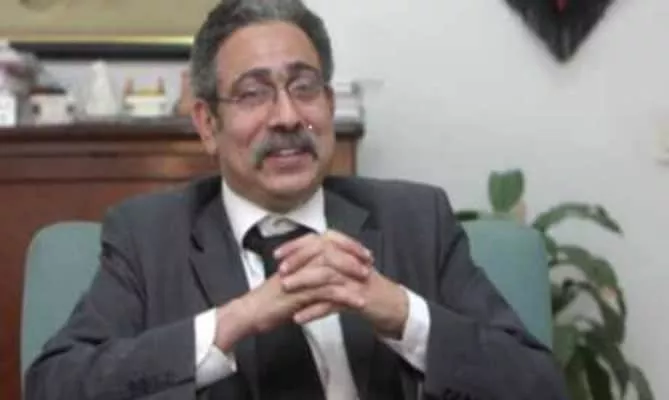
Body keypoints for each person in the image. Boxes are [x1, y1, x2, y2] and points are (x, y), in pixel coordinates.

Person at [25, 0, 569, 399]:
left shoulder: (415, 220)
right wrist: (233, 321)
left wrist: (403, 315)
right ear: (207, 124)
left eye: (305, 88)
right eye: (253, 94)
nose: (287, 117)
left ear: (329, 105)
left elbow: (538, 385)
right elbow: (54, 386)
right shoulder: (148, 237)